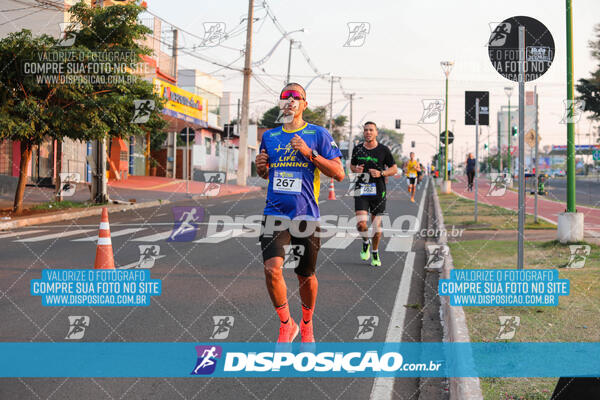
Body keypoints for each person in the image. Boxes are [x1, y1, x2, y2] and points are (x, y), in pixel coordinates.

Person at [255, 83, 345, 343]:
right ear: (280, 104)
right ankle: (287, 324)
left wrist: (309, 153)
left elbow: (339, 173)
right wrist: (261, 168)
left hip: (306, 215)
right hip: (274, 213)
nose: (291, 100)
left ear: (305, 104)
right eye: (286, 97)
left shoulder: (318, 134)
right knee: (272, 270)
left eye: (297, 97)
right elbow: (266, 174)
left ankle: (307, 323)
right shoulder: (270, 137)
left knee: (305, 276)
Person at [350, 122, 398, 267]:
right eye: (366, 130)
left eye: (371, 130)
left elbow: (394, 169)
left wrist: (381, 173)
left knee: (377, 230)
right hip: (361, 189)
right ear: (363, 133)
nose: (368, 132)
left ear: (376, 133)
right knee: (361, 224)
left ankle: (375, 252)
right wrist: (355, 169)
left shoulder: (384, 150)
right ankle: (365, 241)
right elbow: (352, 166)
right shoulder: (357, 149)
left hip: (378, 191)